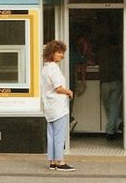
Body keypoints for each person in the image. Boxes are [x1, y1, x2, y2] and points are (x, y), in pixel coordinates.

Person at [41, 40, 75, 171]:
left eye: (62, 52)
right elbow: (58, 88)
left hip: (49, 107)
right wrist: (69, 92)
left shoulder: (45, 68)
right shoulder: (54, 68)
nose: (62, 55)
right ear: (52, 53)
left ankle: (52, 161)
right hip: (58, 107)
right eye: (59, 52)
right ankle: (60, 161)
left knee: (51, 134)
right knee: (59, 135)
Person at [98, 37, 123, 140]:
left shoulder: (102, 54)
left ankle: (111, 130)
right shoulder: (118, 54)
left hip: (104, 83)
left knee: (108, 107)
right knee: (114, 107)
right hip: (116, 82)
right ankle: (117, 124)